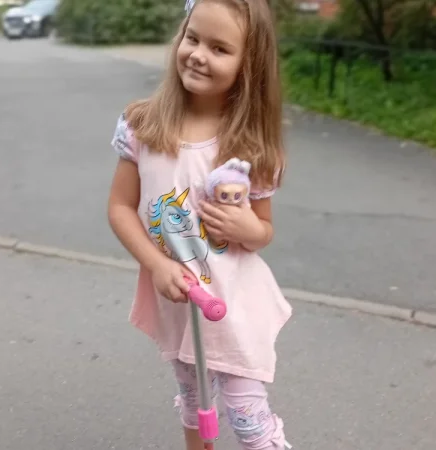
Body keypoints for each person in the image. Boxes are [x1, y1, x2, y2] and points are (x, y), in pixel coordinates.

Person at [107, 0, 293, 448]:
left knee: (250, 422)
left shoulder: (250, 146)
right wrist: (156, 264)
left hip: (234, 306)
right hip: (178, 303)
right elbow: (120, 207)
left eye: (219, 48)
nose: (198, 54)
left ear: (248, 64)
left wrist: (248, 229)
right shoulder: (143, 125)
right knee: (195, 403)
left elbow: (263, 231)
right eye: (192, 38)